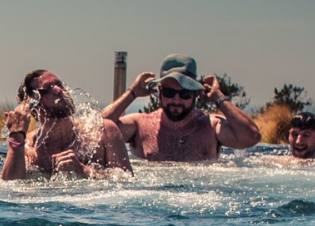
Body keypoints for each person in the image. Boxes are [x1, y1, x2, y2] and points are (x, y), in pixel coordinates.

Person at [101, 54, 262, 162]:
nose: (176, 100)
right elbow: (96, 130)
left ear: (195, 94)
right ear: (160, 92)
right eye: (170, 92)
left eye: (184, 94)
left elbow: (251, 137)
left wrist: (219, 98)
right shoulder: (139, 125)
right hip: (149, 209)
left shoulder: (211, 127)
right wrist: (132, 93)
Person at [0, 69, 131, 180]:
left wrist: (84, 171)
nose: (59, 90)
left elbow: (127, 180)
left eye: (59, 84)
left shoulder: (104, 131)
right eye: (48, 88)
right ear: (34, 106)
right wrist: (16, 135)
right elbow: (11, 187)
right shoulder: (28, 147)